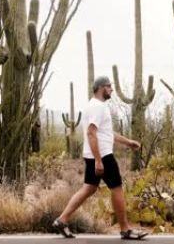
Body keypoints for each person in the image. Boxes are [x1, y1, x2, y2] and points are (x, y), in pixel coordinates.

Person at [53, 76, 149, 240]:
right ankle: (125, 229)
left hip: (93, 155)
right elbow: (91, 132)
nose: (112, 89)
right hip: (103, 155)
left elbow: (106, 133)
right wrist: (99, 160)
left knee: (89, 188)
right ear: (100, 88)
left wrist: (128, 142)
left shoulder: (93, 106)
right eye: (109, 86)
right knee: (117, 189)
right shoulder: (99, 107)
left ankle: (62, 220)